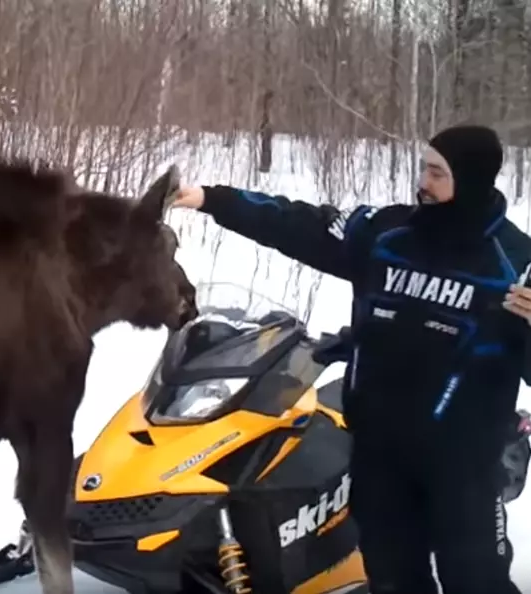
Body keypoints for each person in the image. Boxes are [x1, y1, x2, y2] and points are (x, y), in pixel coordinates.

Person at [169, 124, 531, 594]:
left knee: (476, 581)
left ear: (473, 179)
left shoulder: (515, 262)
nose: (423, 181)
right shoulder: (387, 235)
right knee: (392, 579)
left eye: (437, 173)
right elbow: (297, 224)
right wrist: (209, 199)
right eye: (424, 167)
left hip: (465, 466)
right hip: (380, 453)